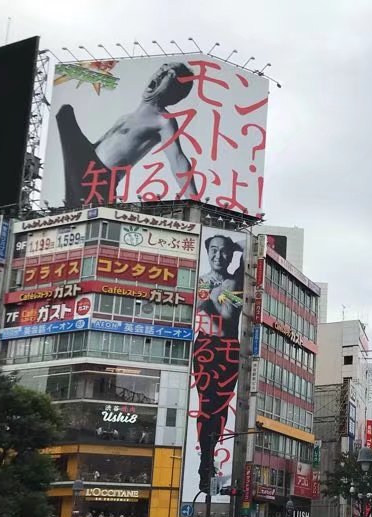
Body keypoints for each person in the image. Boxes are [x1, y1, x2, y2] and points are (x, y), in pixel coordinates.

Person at [54, 61, 197, 206]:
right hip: (87, 168)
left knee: (65, 113)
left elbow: (178, 160)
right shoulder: (125, 118)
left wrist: (194, 201)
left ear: (174, 91)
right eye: (162, 68)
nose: (161, 73)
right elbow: (94, 146)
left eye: (169, 74)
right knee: (64, 113)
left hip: (101, 178)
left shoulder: (163, 120)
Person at [192, 233, 245, 494]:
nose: (218, 256)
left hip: (228, 349)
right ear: (206, 251)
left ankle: (209, 458)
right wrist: (210, 295)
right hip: (205, 347)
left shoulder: (233, 282)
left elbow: (228, 315)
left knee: (221, 406)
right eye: (213, 250)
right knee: (206, 404)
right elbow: (192, 309)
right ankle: (205, 462)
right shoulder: (198, 280)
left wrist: (213, 296)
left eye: (224, 251)